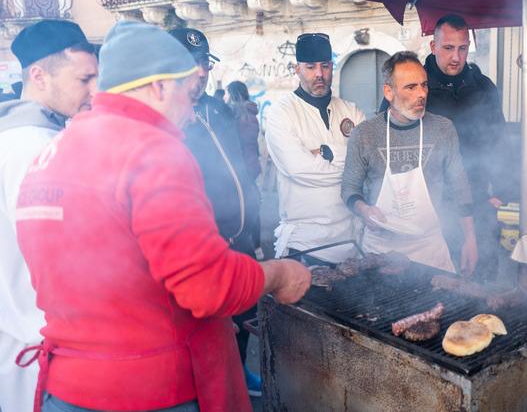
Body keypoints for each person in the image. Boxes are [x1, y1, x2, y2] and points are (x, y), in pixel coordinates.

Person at [14, 21, 310, 412]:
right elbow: (209, 288)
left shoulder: (53, 152)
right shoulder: (150, 149)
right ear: (159, 87)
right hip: (149, 392)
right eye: (186, 92)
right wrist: (279, 274)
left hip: (66, 389)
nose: (189, 110)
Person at [0, 20, 97, 412]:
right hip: (42, 340)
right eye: (84, 79)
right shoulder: (41, 147)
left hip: (14, 334)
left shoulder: (10, 137)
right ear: (39, 76)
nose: (94, 91)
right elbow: (69, 256)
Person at [168, 28, 264, 393]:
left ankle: (238, 370)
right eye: (190, 63)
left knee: (244, 309)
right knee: (211, 321)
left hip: (240, 233)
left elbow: (238, 165)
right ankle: (209, 385)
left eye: (204, 62)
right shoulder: (169, 118)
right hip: (206, 239)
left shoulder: (218, 109)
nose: (201, 71)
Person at [381, 14, 511, 279]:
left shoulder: (483, 87)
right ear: (433, 47)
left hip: (477, 200)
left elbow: (500, 141)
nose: (456, 57)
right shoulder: (412, 85)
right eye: (448, 48)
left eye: (462, 48)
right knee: (430, 282)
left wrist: (501, 191)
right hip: (427, 206)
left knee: (482, 280)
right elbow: (385, 140)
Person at [342, 51, 478, 274]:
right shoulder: (365, 134)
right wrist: (363, 209)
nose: (422, 94)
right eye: (411, 87)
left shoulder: (443, 129)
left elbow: (460, 185)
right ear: (389, 92)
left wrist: (470, 238)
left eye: (424, 85)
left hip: (430, 250)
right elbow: (349, 188)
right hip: (379, 253)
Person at [265, 32, 366, 264]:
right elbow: (299, 169)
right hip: (304, 243)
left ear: (332, 67)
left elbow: (365, 165)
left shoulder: (351, 111)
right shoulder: (281, 114)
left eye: (325, 66)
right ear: (297, 69)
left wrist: (323, 153)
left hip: (351, 243)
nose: (319, 74)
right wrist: (348, 162)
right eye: (310, 67)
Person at [226, 80, 261, 182]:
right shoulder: (245, 114)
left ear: (233, 95)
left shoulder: (244, 116)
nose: (224, 97)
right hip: (247, 166)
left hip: (244, 169)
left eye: (226, 94)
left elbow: (244, 145)